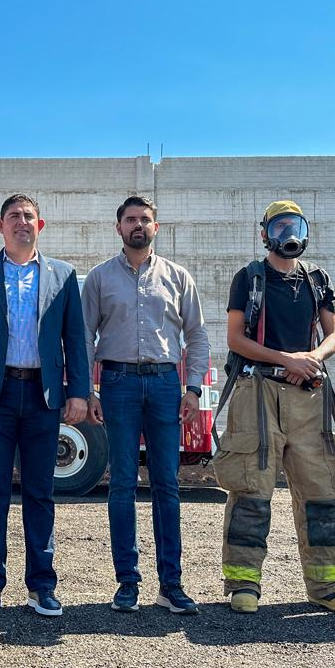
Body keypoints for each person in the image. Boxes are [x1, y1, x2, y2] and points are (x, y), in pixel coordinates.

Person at [212, 200, 335, 615]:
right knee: (251, 489)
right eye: (279, 226)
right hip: (256, 391)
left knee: (321, 490)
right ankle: (244, 583)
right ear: (264, 234)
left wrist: (310, 360)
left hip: (309, 394)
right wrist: (286, 359)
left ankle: (328, 585)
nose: (287, 233)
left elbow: (333, 335)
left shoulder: (318, 280)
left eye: (294, 225)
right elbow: (236, 340)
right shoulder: (249, 278)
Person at [0, 194, 91, 619]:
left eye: (28, 216)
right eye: (14, 216)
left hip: (42, 397)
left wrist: (79, 392)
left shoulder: (63, 275)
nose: (22, 223)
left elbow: (76, 339)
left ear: (40, 224)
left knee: (40, 494)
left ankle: (42, 587)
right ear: (0, 225)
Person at [83, 195, 210, 614]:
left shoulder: (178, 277)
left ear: (157, 227)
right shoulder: (100, 279)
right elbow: (84, 336)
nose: (139, 225)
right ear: (118, 227)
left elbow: (197, 336)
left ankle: (170, 584)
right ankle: (128, 583)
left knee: (167, 485)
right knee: (121, 483)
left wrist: (192, 388)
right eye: (131, 219)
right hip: (116, 384)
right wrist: (87, 391)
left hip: (163, 386)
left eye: (146, 219)